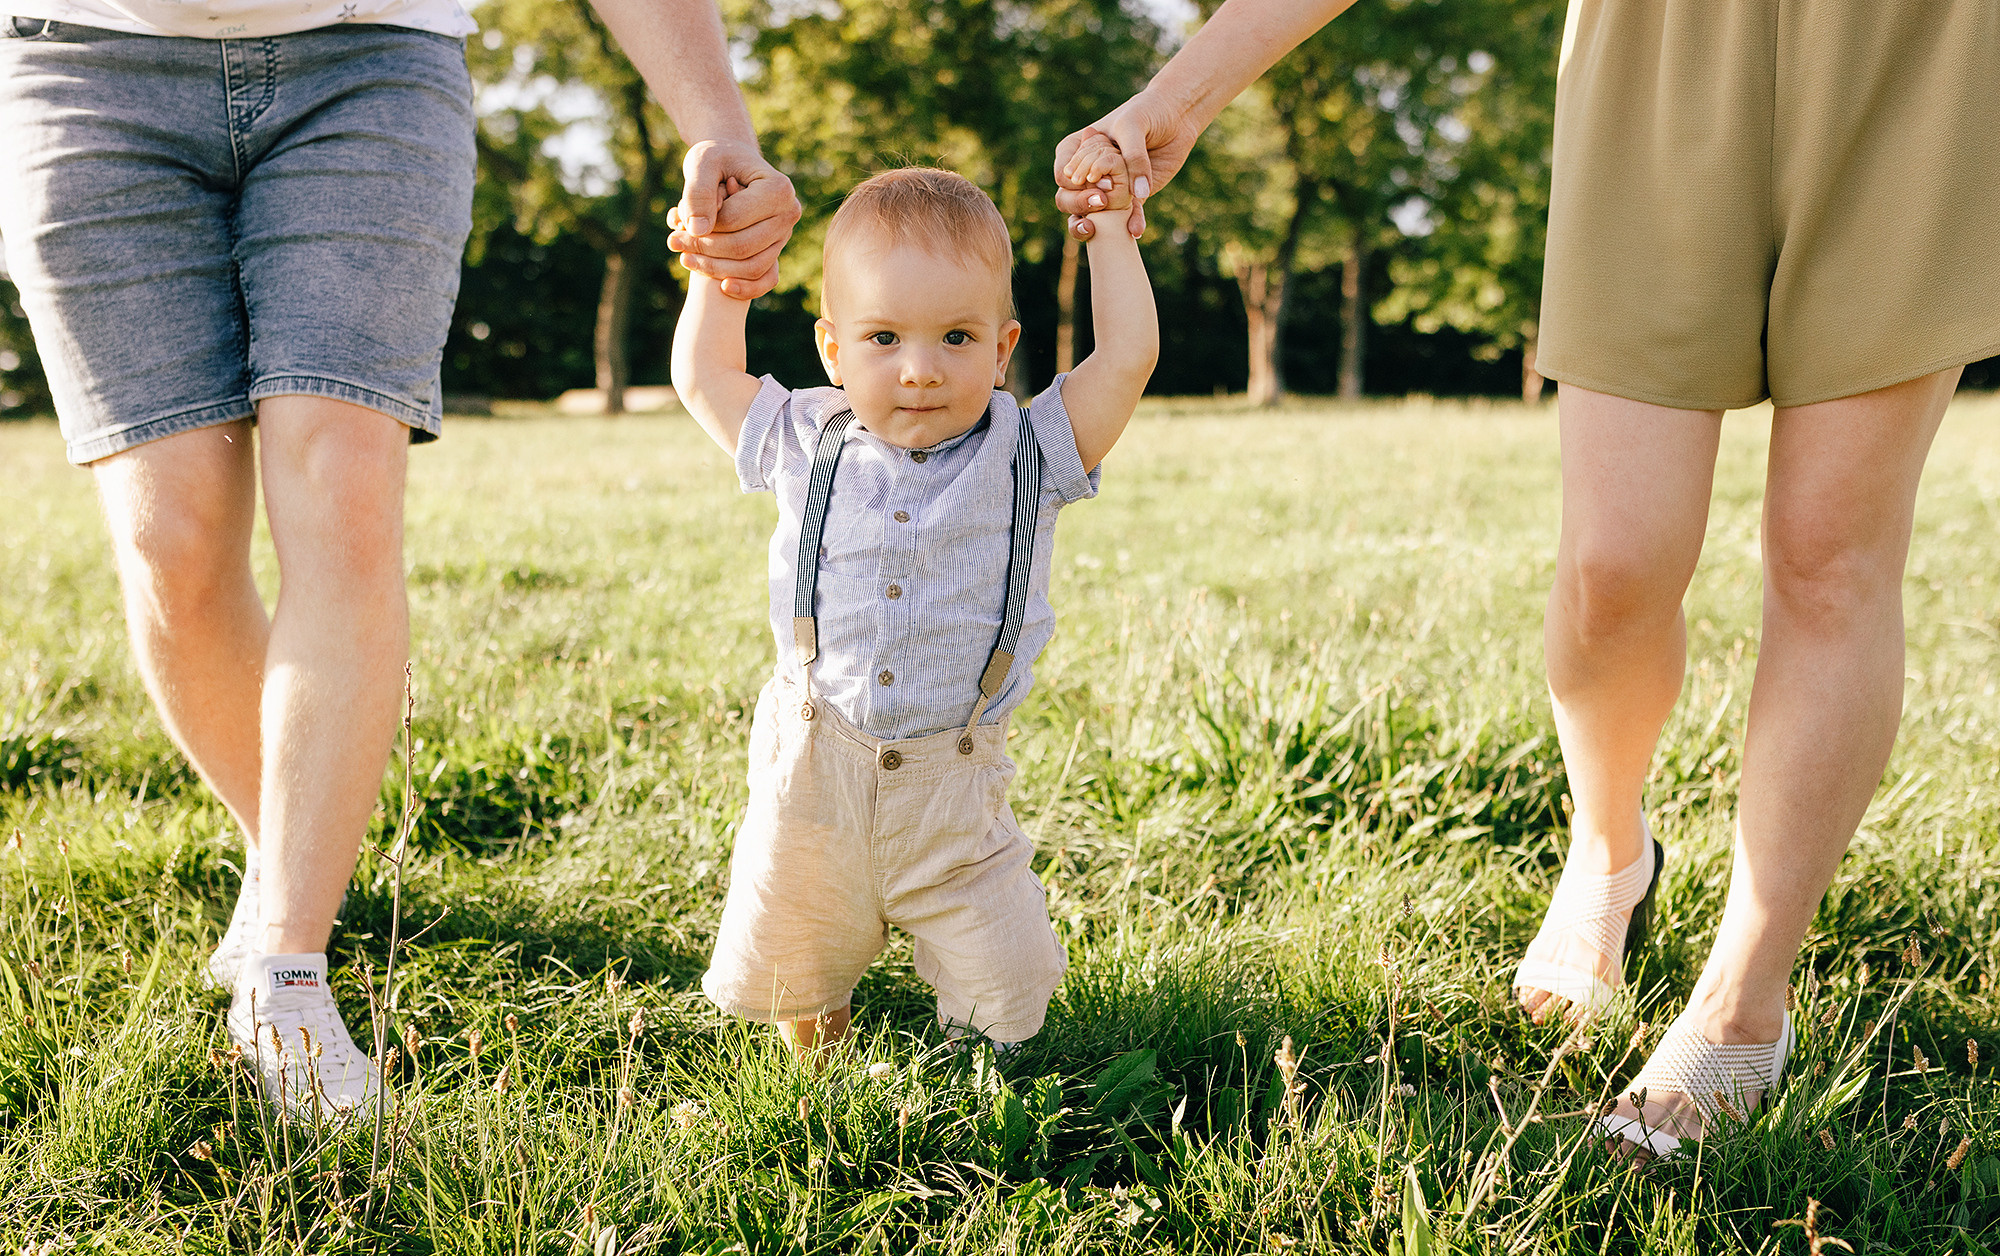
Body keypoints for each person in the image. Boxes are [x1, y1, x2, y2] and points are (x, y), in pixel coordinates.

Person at [1054, 0, 2000, 1158]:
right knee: (1613, 567)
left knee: (1827, 556)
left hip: (1923, 51)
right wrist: (1172, 99)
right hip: (1660, 48)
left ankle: (1741, 1004)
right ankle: (1608, 849)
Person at [0, 0, 798, 1116]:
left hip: (369, 56)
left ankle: (287, 971)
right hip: (81, 64)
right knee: (170, 539)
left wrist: (714, 120)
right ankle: (278, 854)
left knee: (342, 485)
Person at [670, 156, 1156, 1053]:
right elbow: (703, 374)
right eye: (884, 337)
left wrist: (1112, 234)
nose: (921, 370)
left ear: (1004, 347)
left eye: (957, 339)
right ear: (833, 350)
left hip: (955, 788)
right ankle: (820, 1073)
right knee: (799, 971)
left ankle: (981, 1086)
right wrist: (721, 267)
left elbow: (1126, 358)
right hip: (815, 773)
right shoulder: (804, 437)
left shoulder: (1032, 450)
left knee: (1008, 995)